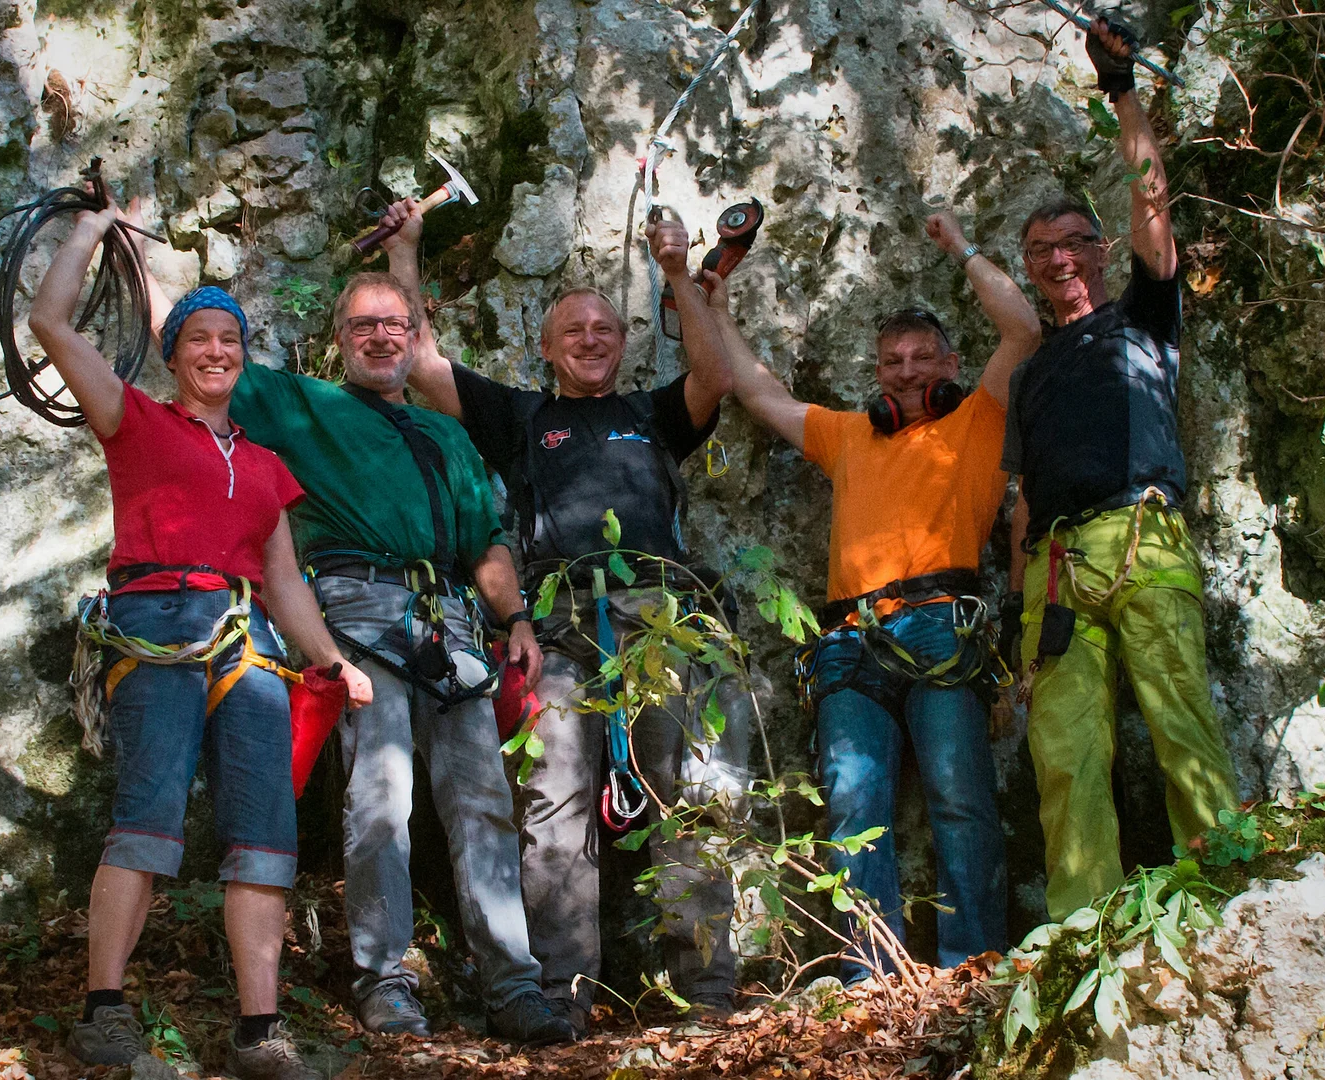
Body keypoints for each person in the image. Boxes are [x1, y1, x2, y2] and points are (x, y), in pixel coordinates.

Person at [375, 201, 753, 1031]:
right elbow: (428, 365)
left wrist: (679, 276)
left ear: (623, 345)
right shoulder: (523, 418)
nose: (590, 339)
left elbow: (714, 377)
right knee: (552, 804)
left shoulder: (652, 415)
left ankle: (707, 993)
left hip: (662, 615)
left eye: (605, 330)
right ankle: (560, 996)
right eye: (572, 330)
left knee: (687, 795)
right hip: (562, 620)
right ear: (545, 348)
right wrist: (406, 250)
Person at [28, 192, 374, 1080]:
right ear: (173, 356)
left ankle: (261, 1030)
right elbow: (51, 322)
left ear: (241, 357)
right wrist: (91, 232)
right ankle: (105, 1010)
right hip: (155, 622)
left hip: (248, 636)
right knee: (147, 816)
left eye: (229, 340)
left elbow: (285, 579)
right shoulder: (134, 421)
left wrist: (331, 659)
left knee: (264, 828)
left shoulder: (264, 465)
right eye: (198, 340)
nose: (216, 352)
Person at [213, 270, 576, 1047]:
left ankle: (513, 984)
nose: (381, 337)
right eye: (363, 327)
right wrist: (126, 251)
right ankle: (385, 981)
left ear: (415, 336)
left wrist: (514, 618)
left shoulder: (449, 435)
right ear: (339, 340)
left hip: (449, 622)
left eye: (395, 325)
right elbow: (201, 350)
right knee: (381, 797)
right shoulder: (305, 405)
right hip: (358, 611)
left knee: (481, 800)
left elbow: (486, 541)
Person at [713, 207, 1039, 977]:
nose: (907, 371)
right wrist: (718, 307)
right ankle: (870, 975)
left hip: (941, 629)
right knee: (854, 807)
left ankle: (974, 964)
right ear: (877, 370)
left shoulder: (980, 423)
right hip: (849, 642)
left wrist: (961, 246)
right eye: (892, 360)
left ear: (951, 363)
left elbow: (1022, 331)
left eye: (923, 357)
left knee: (961, 802)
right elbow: (760, 396)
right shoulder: (850, 434)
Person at [1001, 15, 1240, 921]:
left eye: (1073, 242)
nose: (1059, 258)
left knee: (1183, 724)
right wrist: (1020, 624)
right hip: (1055, 575)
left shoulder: (1145, 316)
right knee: (1065, 756)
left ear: (1099, 251)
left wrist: (1121, 89)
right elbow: (1021, 500)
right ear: (1029, 269)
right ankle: (1081, 931)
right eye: (1041, 252)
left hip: (1144, 539)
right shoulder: (1029, 376)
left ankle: (1227, 892)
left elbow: (1153, 205)